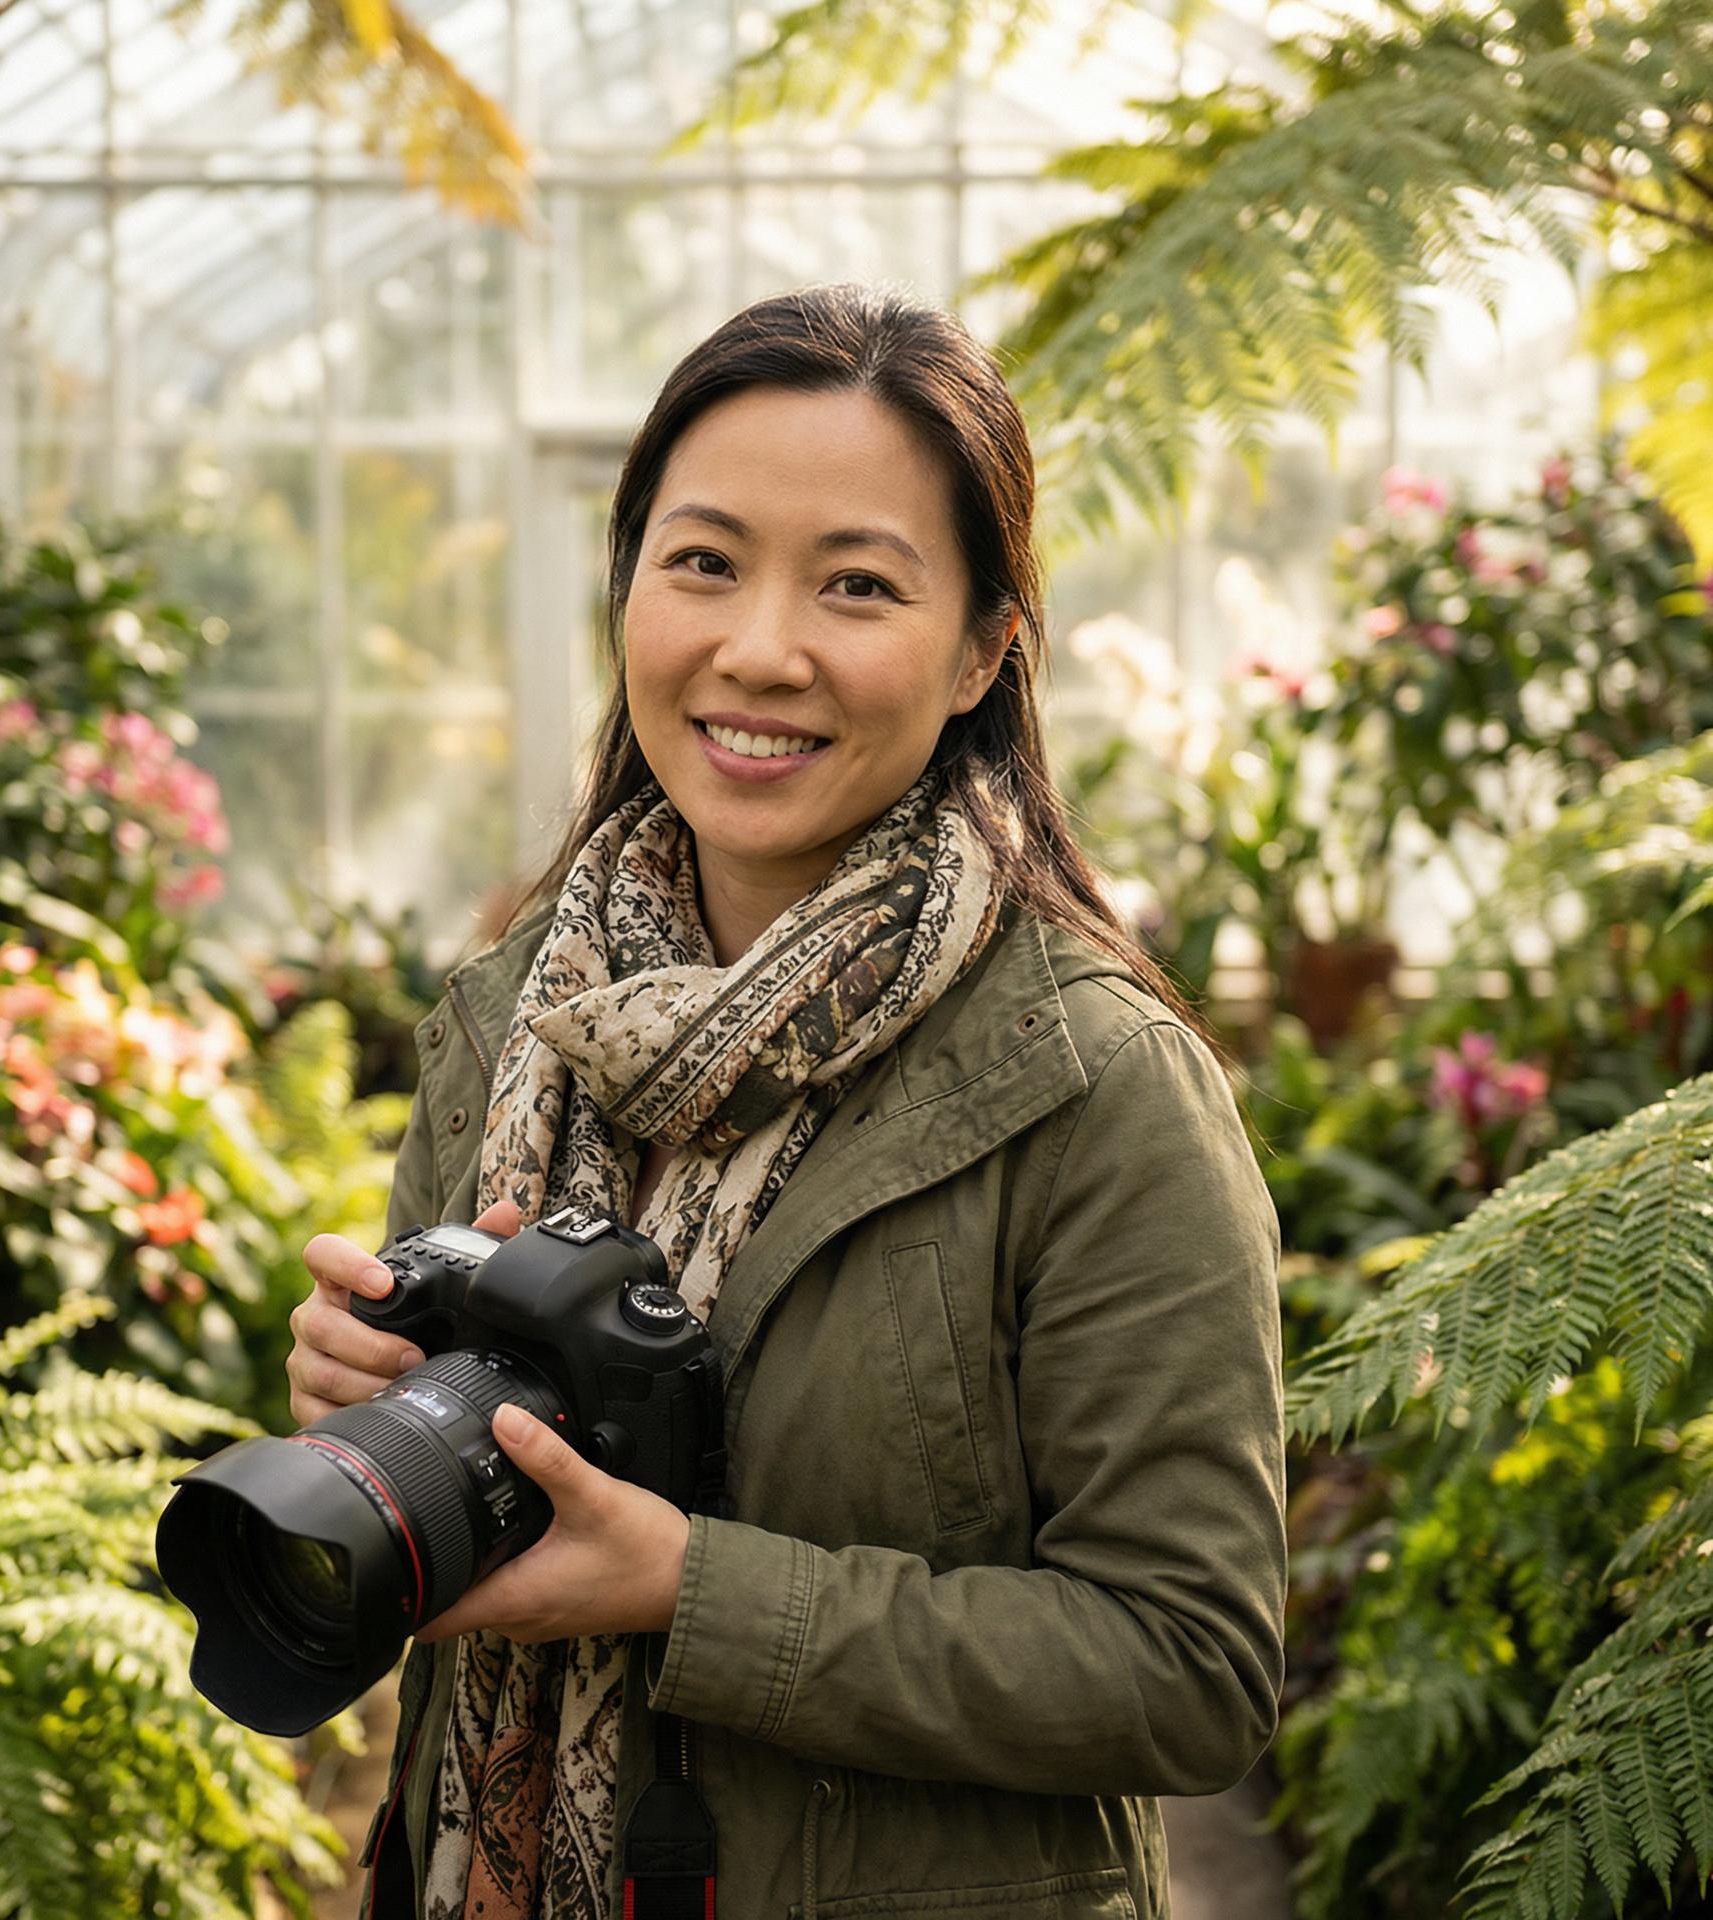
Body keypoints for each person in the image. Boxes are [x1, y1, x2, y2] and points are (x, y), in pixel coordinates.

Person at [288, 282, 1286, 1920]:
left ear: (984, 652)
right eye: (703, 562)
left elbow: (1188, 1661)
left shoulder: (1100, 1087)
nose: (760, 649)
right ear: (629, 593)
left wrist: (694, 1595)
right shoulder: (512, 1017)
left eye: (858, 586)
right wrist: (379, 1396)